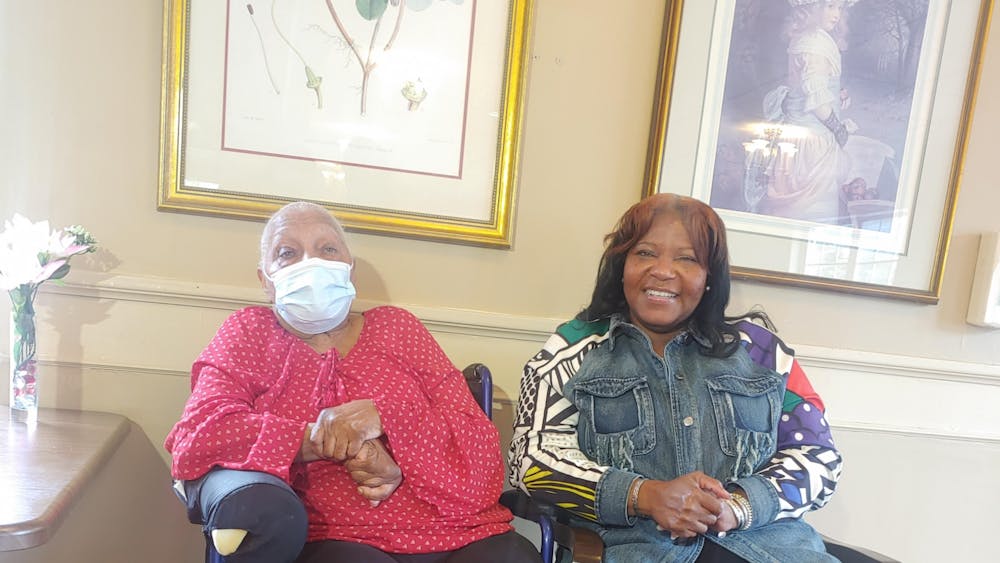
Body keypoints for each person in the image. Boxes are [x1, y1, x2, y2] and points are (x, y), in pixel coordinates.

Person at [165, 201, 540, 563]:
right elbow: (198, 436)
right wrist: (327, 439)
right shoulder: (248, 332)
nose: (310, 263)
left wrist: (386, 420)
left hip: (458, 529)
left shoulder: (397, 327)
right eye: (287, 253)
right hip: (335, 535)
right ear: (265, 280)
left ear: (350, 270)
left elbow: (479, 447)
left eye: (327, 248)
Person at [508, 194, 842, 562]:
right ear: (621, 266)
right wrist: (642, 495)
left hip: (770, 549)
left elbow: (819, 456)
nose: (663, 271)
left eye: (686, 258)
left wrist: (740, 506)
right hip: (639, 550)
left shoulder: (763, 353)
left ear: (710, 276)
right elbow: (531, 462)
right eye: (645, 253)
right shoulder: (571, 351)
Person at [760, 0, 859, 223]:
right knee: (811, 215)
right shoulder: (813, 43)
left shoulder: (811, 37)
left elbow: (810, 85)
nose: (836, 14)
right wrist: (838, 129)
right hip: (811, 144)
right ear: (812, 8)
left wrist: (836, 91)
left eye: (840, 8)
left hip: (801, 138)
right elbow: (817, 103)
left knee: (807, 215)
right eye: (830, 6)